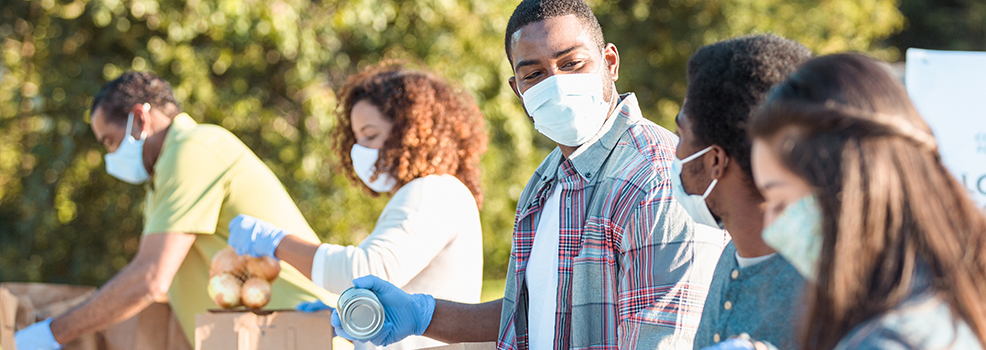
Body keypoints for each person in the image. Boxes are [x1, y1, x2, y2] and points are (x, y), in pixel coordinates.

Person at [328, 0, 727, 349]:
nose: (555, 83)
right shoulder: (547, 182)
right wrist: (423, 315)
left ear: (610, 62)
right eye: (533, 74)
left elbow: (665, 337)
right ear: (517, 89)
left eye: (572, 63)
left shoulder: (656, 178)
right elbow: (534, 314)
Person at [746, 53, 986, 349]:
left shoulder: (890, 338)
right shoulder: (963, 300)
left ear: (850, 186)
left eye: (780, 200)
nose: (770, 226)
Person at [14, 71, 336, 349]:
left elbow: (150, 278)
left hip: (297, 331)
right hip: (257, 336)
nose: (111, 156)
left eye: (110, 142)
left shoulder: (192, 150)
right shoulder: (164, 175)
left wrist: (50, 334)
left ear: (140, 118)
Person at [228, 63, 488, 350]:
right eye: (357, 138)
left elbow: (369, 268)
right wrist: (353, 319)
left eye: (371, 135)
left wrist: (277, 242)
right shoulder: (432, 193)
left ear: (410, 128)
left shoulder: (432, 191)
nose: (359, 150)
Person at [670, 35, 810, 350]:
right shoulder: (730, 256)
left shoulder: (825, 287)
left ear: (715, 161)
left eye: (681, 136)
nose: (674, 154)